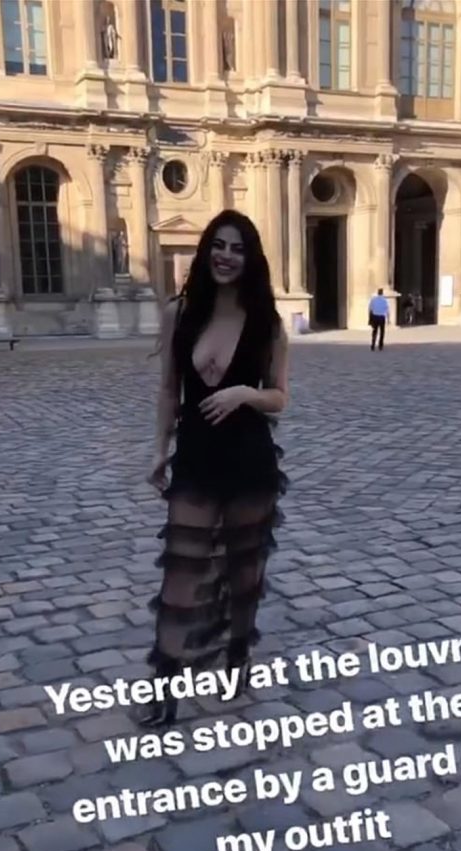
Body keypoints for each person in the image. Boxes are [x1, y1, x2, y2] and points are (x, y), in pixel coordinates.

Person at [144, 210, 289, 724]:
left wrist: (245, 393)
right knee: (181, 573)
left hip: (249, 460)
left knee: (243, 572)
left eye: (238, 248)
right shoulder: (179, 313)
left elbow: (280, 397)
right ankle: (163, 685)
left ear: (251, 259)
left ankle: (237, 658)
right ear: (206, 251)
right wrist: (159, 449)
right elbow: (168, 389)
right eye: (219, 245)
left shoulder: (267, 322)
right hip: (196, 459)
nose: (226, 256)